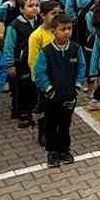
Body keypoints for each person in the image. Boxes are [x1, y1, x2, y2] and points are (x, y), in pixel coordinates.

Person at [33, 14, 83, 166]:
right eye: (63, 29)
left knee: (65, 124)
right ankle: (52, 152)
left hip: (69, 94)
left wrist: (78, 85)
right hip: (51, 96)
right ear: (53, 31)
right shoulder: (46, 52)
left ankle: (64, 150)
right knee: (51, 124)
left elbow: (81, 67)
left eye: (69, 28)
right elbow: (39, 72)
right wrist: (48, 89)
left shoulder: (75, 49)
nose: (67, 32)